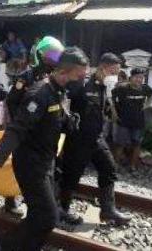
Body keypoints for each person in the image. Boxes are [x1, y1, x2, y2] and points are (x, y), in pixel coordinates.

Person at [0, 47, 89, 251]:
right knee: (48, 217)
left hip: (46, 161)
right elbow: (16, 129)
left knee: (40, 215)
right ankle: (1, 245)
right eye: (79, 76)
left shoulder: (59, 90)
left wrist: (71, 122)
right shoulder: (39, 94)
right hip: (31, 164)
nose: (83, 80)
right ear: (64, 72)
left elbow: (56, 120)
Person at [59, 53, 131, 226]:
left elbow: (102, 110)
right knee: (71, 175)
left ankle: (108, 210)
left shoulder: (102, 86)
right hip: (78, 139)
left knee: (109, 168)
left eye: (117, 73)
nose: (115, 76)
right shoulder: (81, 83)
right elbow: (64, 103)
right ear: (102, 68)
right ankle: (62, 210)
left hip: (96, 138)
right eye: (112, 72)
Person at [112, 68, 152, 171]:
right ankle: (114, 166)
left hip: (138, 121)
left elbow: (151, 95)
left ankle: (133, 166)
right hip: (123, 121)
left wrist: (147, 105)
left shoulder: (145, 88)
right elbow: (111, 99)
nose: (139, 80)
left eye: (141, 77)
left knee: (136, 144)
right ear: (131, 78)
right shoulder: (122, 88)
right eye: (136, 77)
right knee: (120, 144)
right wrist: (114, 113)